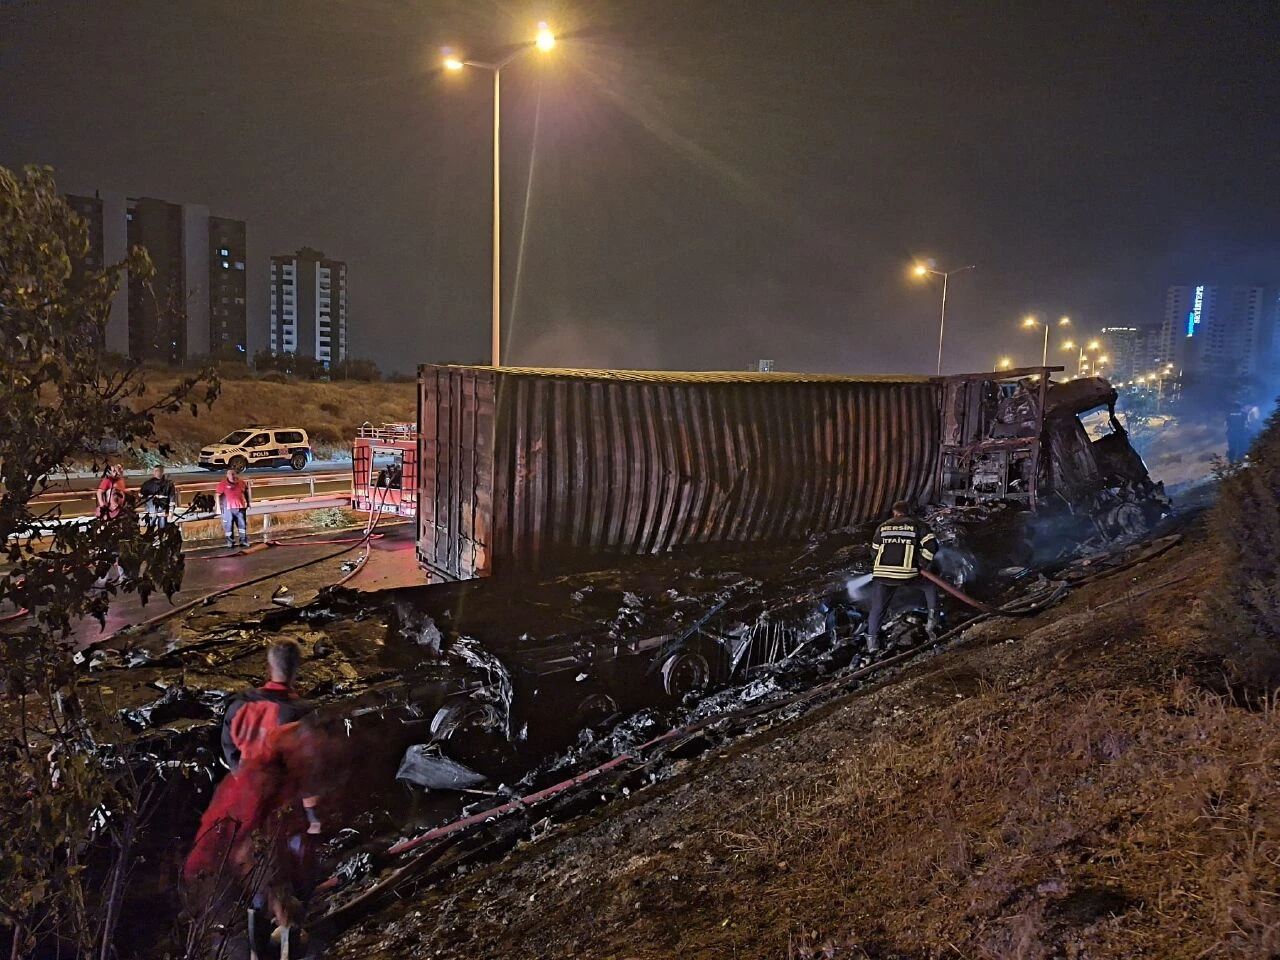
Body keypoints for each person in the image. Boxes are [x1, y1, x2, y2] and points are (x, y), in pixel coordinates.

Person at [187, 641, 321, 955]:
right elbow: (307, 769)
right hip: (280, 805)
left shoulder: (238, 705)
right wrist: (314, 817)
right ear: (297, 670)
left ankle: (254, 942)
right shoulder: (301, 713)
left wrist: (246, 786)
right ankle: (286, 939)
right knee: (285, 871)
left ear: (267, 666)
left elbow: (230, 755)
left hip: (237, 801)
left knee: (247, 867)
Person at [221, 640, 312, 771]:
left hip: (246, 785)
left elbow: (229, 749)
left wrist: (241, 774)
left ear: (269, 668)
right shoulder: (303, 715)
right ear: (297, 668)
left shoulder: (240, 706)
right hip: (282, 788)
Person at [864, 500, 939, 654]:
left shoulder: (883, 527)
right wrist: (922, 563)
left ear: (894, 513)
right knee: (930, 586)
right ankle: (932, 621)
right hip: (906, 573)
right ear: (909, 512)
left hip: (881, 573)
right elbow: (932, 546)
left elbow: (874, 551)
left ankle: (872, 643)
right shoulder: (917, 525)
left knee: (878, 608)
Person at [215, 467, 251, 549]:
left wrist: (248, 503)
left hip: (240, 508)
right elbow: (217, 495)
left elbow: (246, 492)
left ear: (236, 474)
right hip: (228, 509)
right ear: (227, 475)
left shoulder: (241, 482)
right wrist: (218, 508)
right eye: (230, 474)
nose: (232, 475)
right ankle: (230, 542)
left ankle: (243, 541)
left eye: (233, 473)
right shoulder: (222, 484)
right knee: (228, 526)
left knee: (242, 525)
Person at [139, 464, 178, 530]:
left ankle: (161, 538)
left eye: (158, 471)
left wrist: (171, 510)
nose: (156, 473)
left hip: (163, 509)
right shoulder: (147, 484)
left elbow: (172, 498)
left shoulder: (169, 484)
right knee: (150, 526)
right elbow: (142, 495)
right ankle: (150, 538)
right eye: (155, 471)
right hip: (151, 509)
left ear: (162, 472)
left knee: (162, 527)